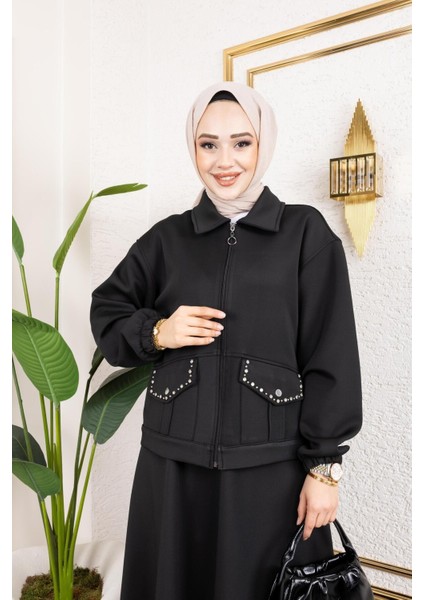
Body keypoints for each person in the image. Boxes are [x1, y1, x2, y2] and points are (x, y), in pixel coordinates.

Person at [90, 81, 363, 600]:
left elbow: (332, 357)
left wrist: (325, 470)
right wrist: (158, 331)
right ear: (192, 148)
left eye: (241, 142)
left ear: (263, 143)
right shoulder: (167, 239)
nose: (224, 160)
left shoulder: (305, 234)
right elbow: (107, 310)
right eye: (208, 144)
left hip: (271, 470)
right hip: (173, 468)